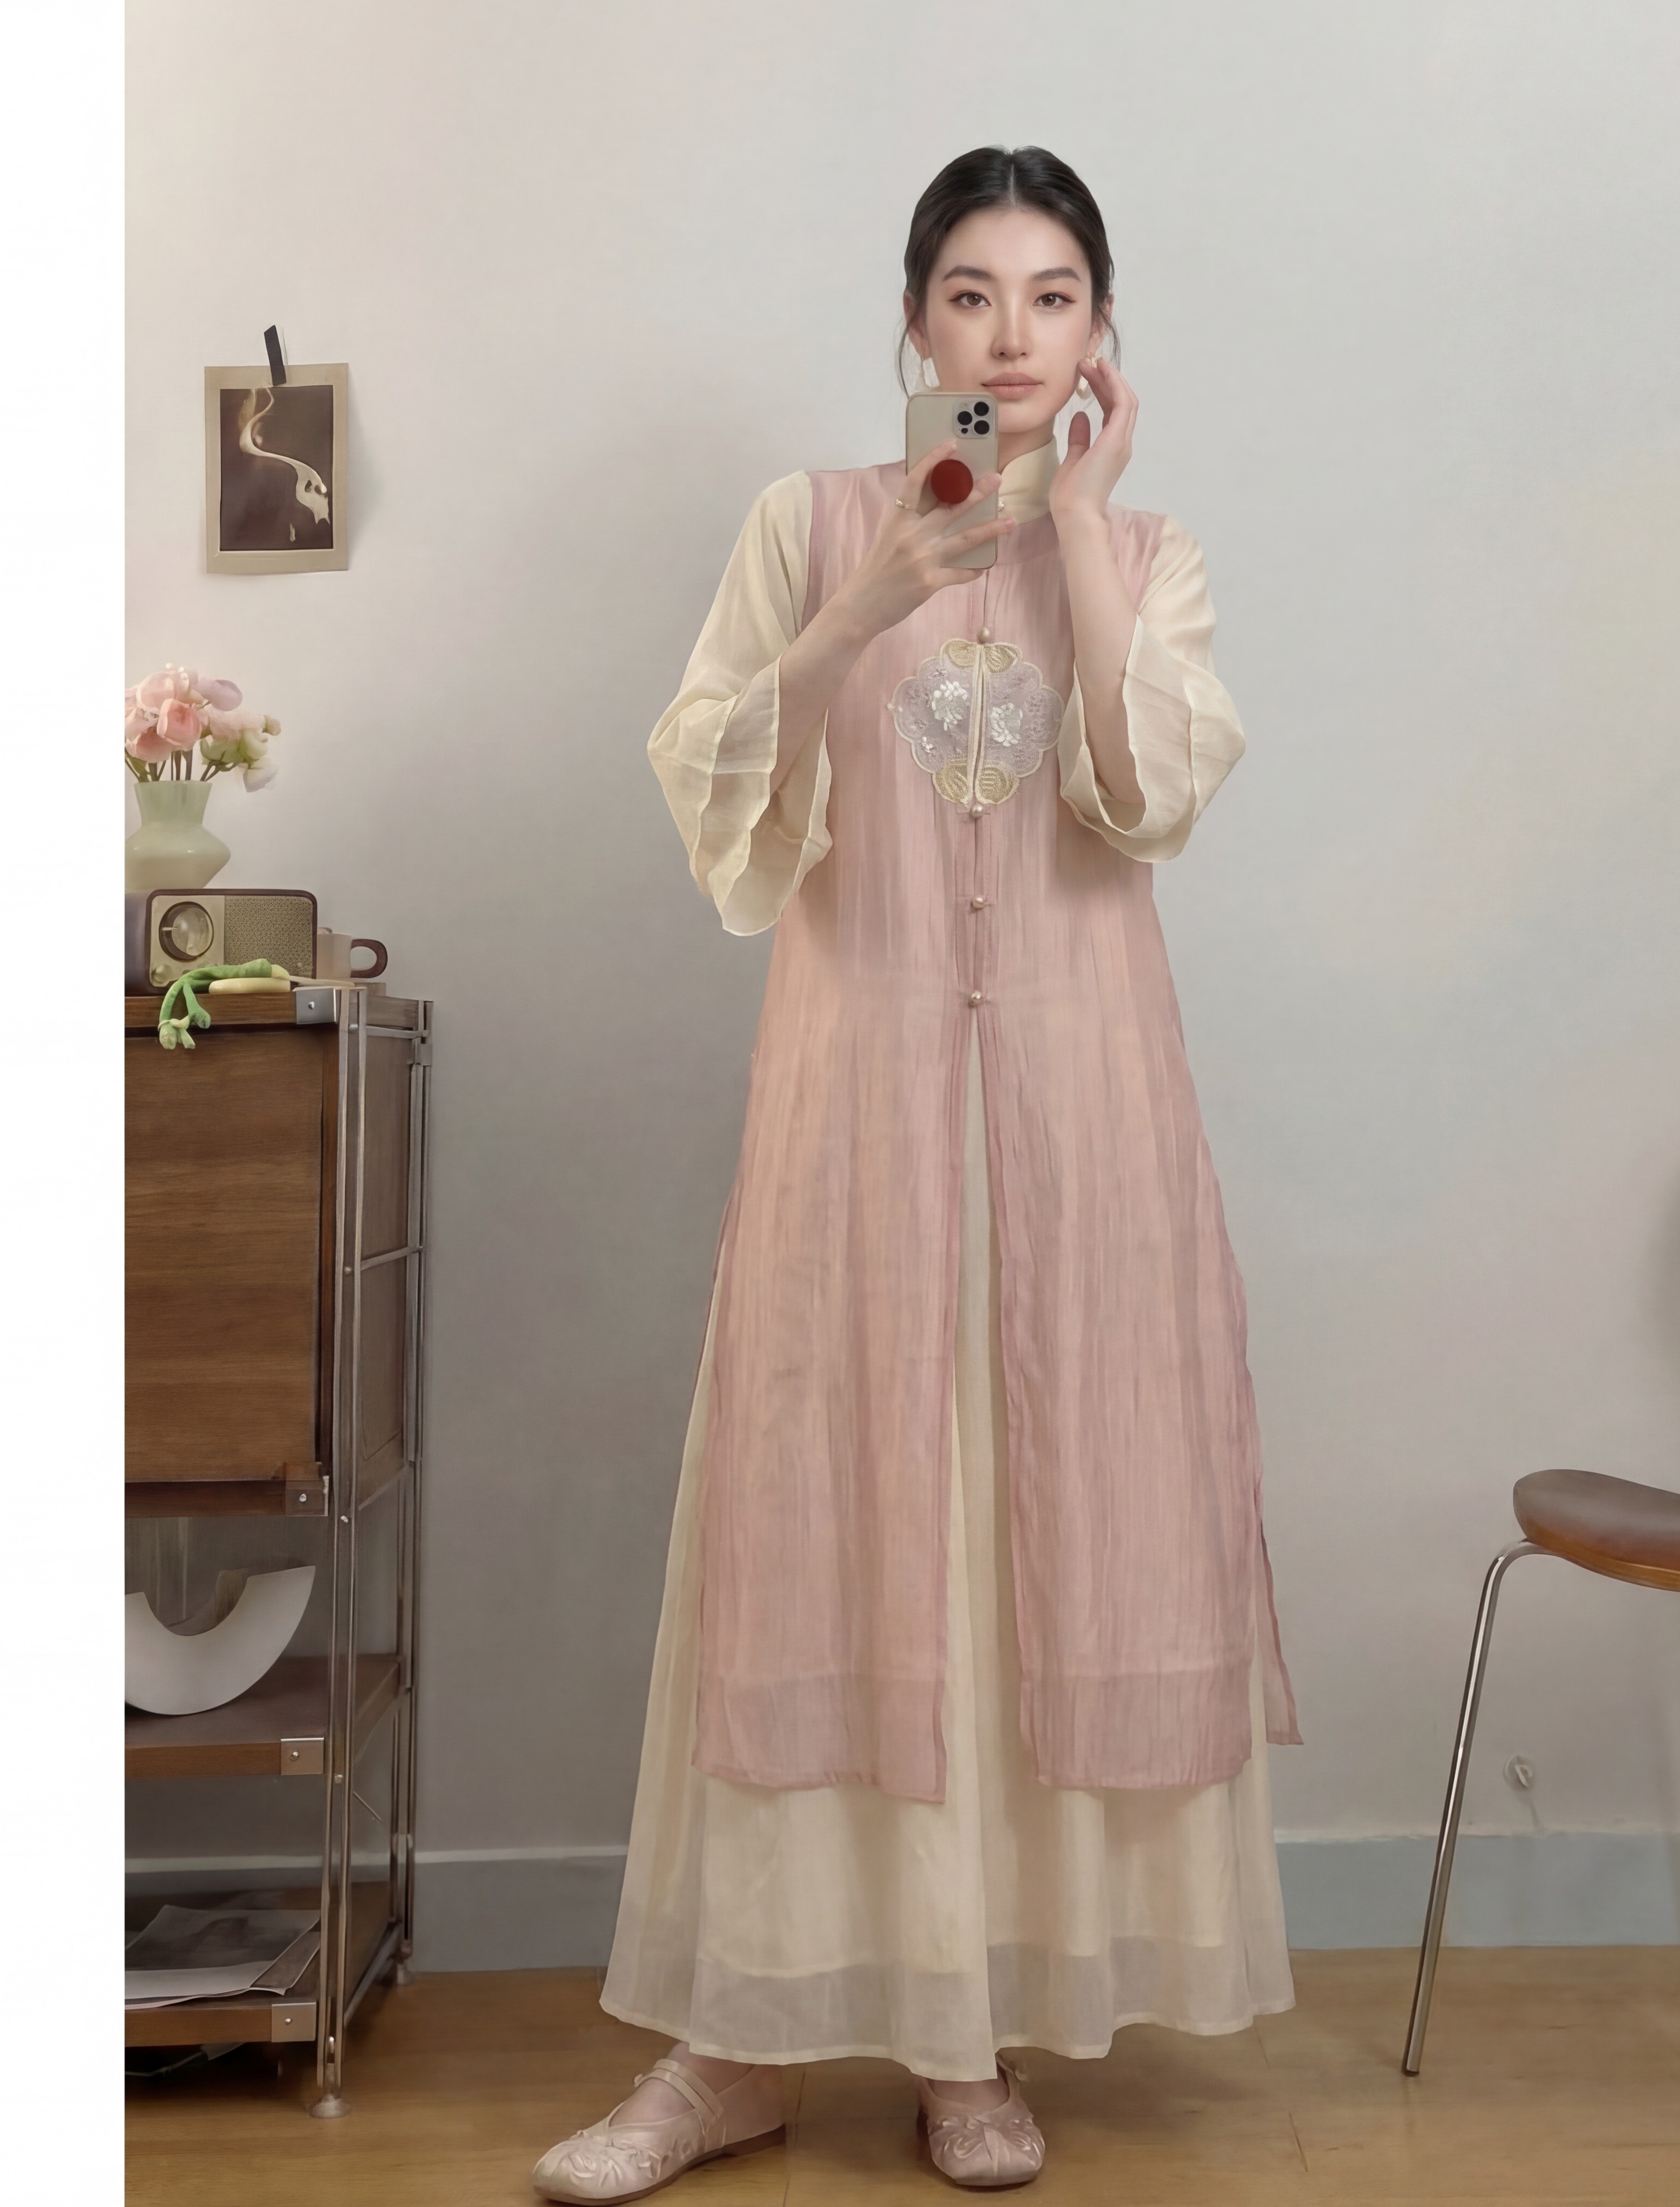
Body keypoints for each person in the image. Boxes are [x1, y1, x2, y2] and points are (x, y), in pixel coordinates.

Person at [532, 145, 1302, 2204]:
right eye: (974, 294)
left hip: (1080, 1129)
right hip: (856, 1115)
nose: (1012, 335)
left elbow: (1142, 794)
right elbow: (715, 781)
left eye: (1054, 298)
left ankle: (969, 2040)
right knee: (822, 1535)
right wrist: (874, 593)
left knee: (1025, 1544)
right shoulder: (808, 527)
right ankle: (734, 2047)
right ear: (913, 321)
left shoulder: (1155, 554)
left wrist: (1087, 538)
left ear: (1102, 334)